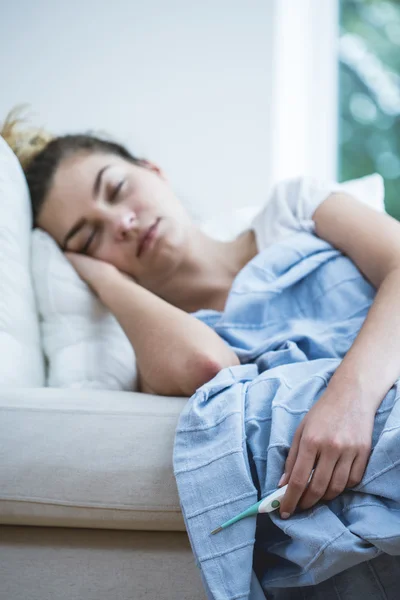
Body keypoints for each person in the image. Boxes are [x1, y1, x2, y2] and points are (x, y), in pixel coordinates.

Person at [3, 108, 400, 598]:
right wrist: (102, 278)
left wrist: (350, 400)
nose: (121, 223)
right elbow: (208, 366)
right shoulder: (156, 341)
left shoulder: (294, 209)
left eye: (117, 189)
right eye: (90, 237)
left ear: (153, 171)